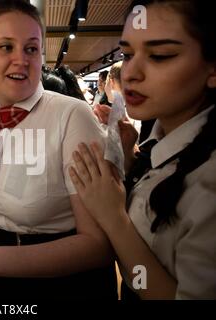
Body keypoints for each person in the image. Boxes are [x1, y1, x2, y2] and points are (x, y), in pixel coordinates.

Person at [0, 0, 117, 300]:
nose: (21, 60)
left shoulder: (72, 117)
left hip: (65, 285)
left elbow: (99, 246)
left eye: (31, 49)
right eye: (6, 47)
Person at [69, 0, 216, 299]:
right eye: (128, 54)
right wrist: (129, 161)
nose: (131, 72)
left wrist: (113, 218)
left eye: (160, 56)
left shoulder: (209, 182)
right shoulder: (161, 145)